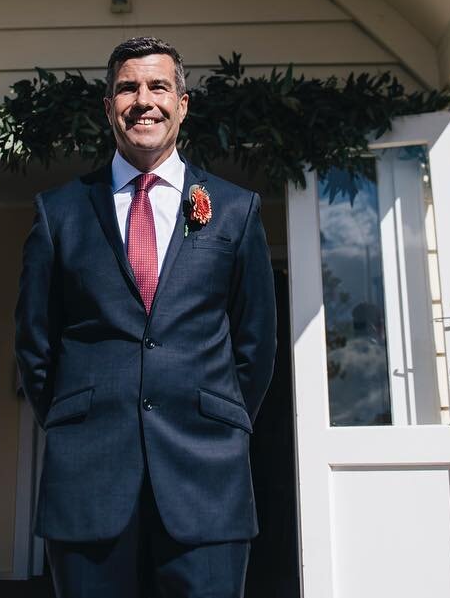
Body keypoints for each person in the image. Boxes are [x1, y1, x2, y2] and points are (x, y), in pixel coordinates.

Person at [14, 36, 276, 598]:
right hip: (88, 477)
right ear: (109, 107)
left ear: (183, 103)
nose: (144, 100)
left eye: (159, 86)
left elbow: (256, 346)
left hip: (206, 473)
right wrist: (74, 419)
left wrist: (221, 420)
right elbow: (35, 346)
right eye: (128, 88)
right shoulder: (58, 212)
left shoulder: (234, 208)